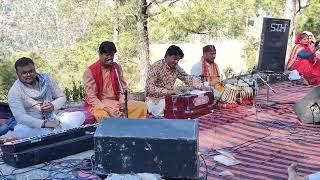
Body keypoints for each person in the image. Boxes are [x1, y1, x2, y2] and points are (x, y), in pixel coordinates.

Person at [8, 57, 85, 139]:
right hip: (35, 125)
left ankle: (55, 133)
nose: (28, 75)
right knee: (20, 130)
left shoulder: (46, 79)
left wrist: (52, 105)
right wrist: (45, 124)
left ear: (35, 69)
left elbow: (62, 97)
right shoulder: (14, 91)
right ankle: (61, 132)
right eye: (24, 73)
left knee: (80, 115)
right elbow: (20, 117)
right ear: (17, 73)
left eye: (31, 71)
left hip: (56, 117)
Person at [83, 41, 147, 121]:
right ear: (100, 54)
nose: (110, 58)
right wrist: (108, 109)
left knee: (141, 106)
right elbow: (92, 97)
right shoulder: (90, 72)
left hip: (116, 102)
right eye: (107, 55)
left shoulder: (117, 68)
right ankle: (118, 126)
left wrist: (122, 102)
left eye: (112, 55)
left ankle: (127, 125)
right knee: (102, 115)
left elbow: (122, 88)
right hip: (101, 103)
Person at [145, 45, 203, 117]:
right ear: (166, 56)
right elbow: (149, 87)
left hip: (170, 98)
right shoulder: (156, 67)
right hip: (155, 101)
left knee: (189, 103)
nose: (176, 62)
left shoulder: (175, 67)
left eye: (178, 60)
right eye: (174, 59)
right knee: (179, 107)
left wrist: (199, 85)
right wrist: (169, 92)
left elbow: (185, 77)